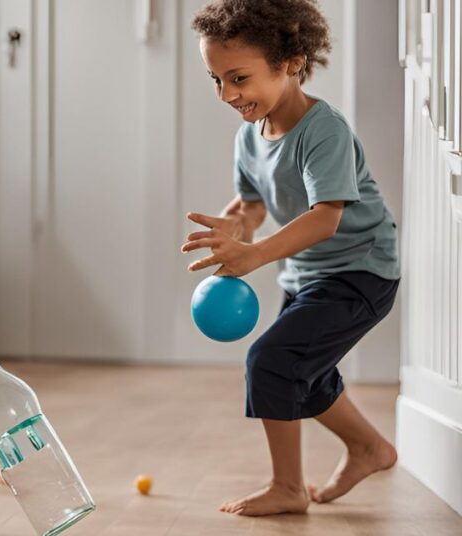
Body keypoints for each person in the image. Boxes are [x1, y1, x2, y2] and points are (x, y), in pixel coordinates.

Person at [183, 0, 401, 516]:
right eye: (216, 80)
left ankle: (288, 487)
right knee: (304, 370)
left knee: (271, 362)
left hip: (361, 271)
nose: (228, 94)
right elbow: (254, 206)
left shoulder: (323, 129)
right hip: (308, 274)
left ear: (291, 63)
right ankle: (371, 449)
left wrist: (255, 255)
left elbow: (327, 216)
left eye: (239, 78)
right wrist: (234, 225)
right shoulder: (248, 137)